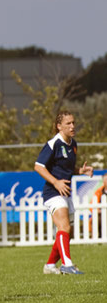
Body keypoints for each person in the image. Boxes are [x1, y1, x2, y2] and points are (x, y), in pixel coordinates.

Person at [34, 110, 94, 275]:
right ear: (59, 126)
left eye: (73, 122)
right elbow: (38, 166)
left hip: (66, 192)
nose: (72, 126)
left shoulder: (73, 144)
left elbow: (65, 169)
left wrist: (80, 170)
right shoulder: (54, 143)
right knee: (64, 227)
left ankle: (50, 265)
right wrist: (55, 182)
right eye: (68, 123)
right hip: (52, 192)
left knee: (69, 232)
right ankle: (67, 265)